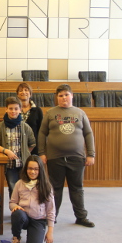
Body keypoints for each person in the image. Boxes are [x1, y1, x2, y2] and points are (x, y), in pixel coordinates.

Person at [38, 84, 95, 228]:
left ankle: (81, 217)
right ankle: (52, 217)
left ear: (72, 96)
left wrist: (91, 154)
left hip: (76, 158)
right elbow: (42, 133)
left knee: (77, 188)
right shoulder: (50, 113)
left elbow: (88, 134)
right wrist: (42, 153)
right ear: (57, 98)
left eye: (66, 94)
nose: (64, 97)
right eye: (60, 95)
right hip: (55, 158)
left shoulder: (80, 113)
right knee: (55, 189)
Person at [9, 155, 55, 243]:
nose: (32, 172)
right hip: (23, 217)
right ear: (26, 169)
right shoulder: (19, 183)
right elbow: (12, 202)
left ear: (40, 170)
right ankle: (16, 238)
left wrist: (50, 231)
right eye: (30, 168)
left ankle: (33, 234)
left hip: (38, 219)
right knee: (17, 213)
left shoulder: (46, 186)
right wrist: (15, 206)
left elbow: (51, 209)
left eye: (36, 169)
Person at [0, 96, 36, 199]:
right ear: (6, 109)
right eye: (10, 108)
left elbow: (32, 143)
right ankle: (15, 209)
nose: (13, 111)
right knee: (13, 187)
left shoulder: (25, 127)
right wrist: (6, 151)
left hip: (23, 164)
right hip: (9, 165)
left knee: (25, 187)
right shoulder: (0, 127)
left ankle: (25, 209)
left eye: (16, 109)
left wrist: (25, 153)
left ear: (20, 110)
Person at [16, 82, 43, 155]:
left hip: (34, 147)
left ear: (30, 93)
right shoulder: (14, 110)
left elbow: (41, 131)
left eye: (26, 90)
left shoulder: (37, 110)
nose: (23, 92)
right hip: (16, 146)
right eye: (21, 90)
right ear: (18, 94)